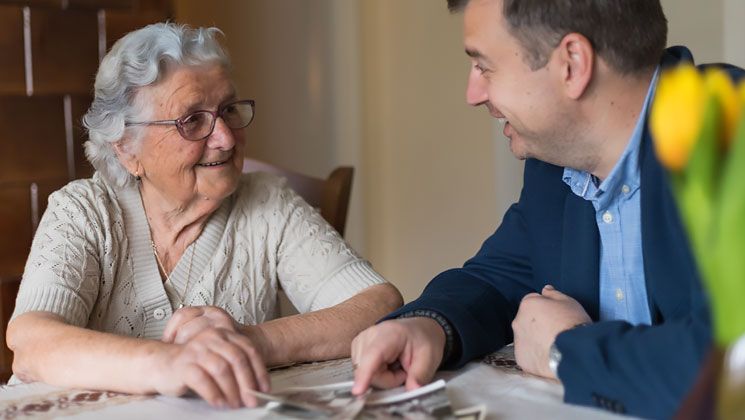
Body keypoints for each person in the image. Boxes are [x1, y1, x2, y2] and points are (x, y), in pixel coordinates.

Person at [350, 0, 744, 417]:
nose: (473, 94)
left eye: (484, 66)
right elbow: (500, 276)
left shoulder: (729, 134)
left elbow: (733, 366)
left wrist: (566, 351)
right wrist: (429, 326)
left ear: (572, 64)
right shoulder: (556, 162)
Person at [6, 23, 402, 409]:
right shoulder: (83, 212)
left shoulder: (267, 204)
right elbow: (32, 344)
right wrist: (168, 362)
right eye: (192, 120)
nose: (226, 138)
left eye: (228, 110)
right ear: (127, 148)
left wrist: (251, 341)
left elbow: (379, 304)